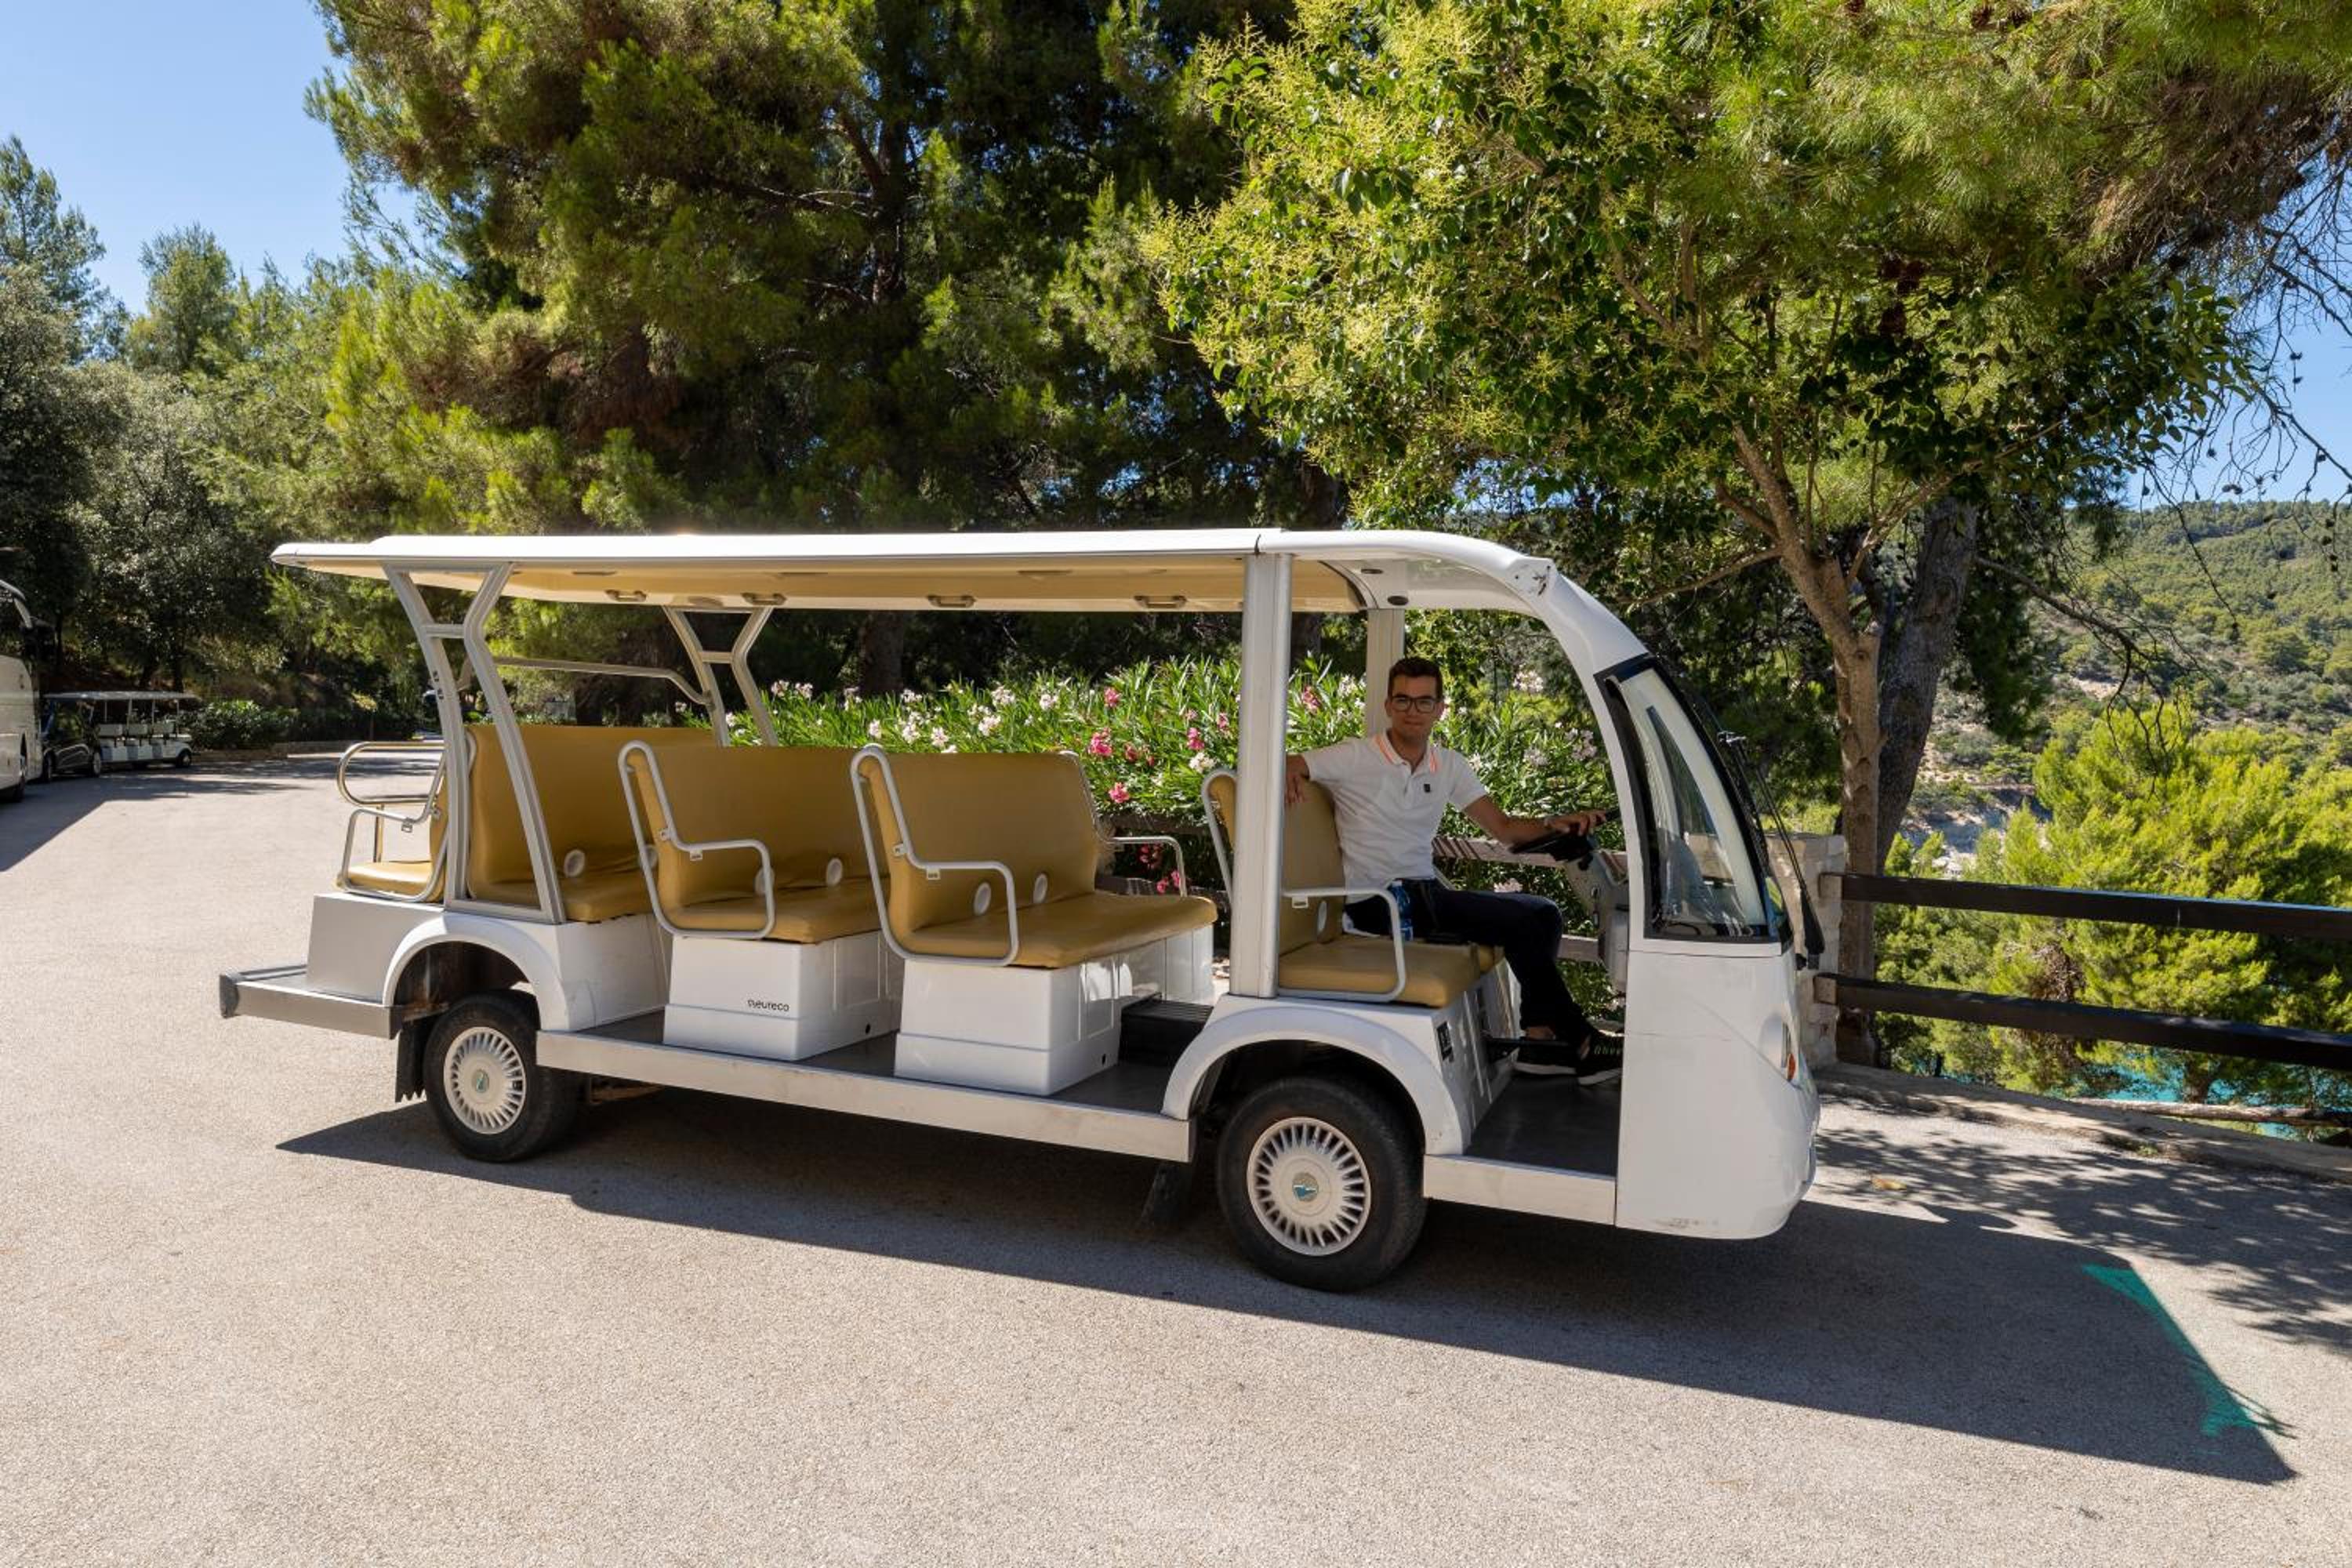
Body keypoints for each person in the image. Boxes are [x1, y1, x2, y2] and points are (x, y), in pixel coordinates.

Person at [1284, 656, 1622, 1085]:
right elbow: (1294, 763)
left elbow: (1505, 829)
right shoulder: (1355, 757)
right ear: (1388, 705)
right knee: (1521, 923)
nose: (1413, 711)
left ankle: (1539, 1043)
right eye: (1403, 700)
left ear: (1439, 709)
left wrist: (1554, 824)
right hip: (1377, 904)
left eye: (1424, 702)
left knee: (1543, 914)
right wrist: (1291, 771)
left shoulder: (1448, 766)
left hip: (1421, 896)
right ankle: (1583, 1041)